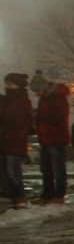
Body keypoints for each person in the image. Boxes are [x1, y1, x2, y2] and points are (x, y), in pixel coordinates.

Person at [0, 73, 32, 209]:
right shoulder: (9, 99)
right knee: (5, 170)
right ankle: (10, 195)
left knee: (12, 171)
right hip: (6, 140)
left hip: (14, 140)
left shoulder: (20, 99)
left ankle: (19, 196)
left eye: (9, 83)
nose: (7, 86)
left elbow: (11, 117)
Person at [36, 80, 71, 204]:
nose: (36, 94)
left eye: (37, 91)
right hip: (46, 138)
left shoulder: (58, 99)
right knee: (46, 169)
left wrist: (39, 118)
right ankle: (48, 194)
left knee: (58, 168)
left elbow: (57, 117)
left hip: (56, 138)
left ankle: (58, 194)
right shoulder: (45, 99)